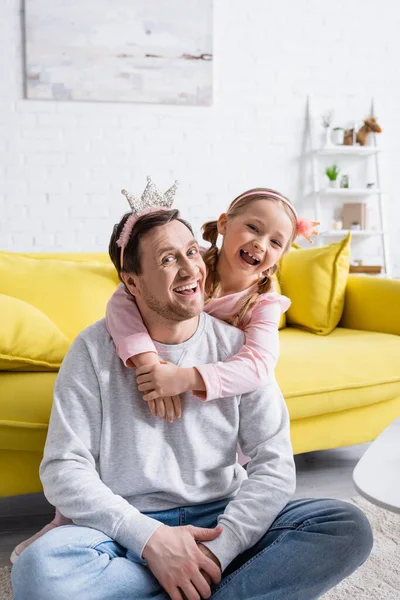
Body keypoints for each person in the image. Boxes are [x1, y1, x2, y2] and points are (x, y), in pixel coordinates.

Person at [12, 181, 373, 600]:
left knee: (344, 526)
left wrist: (219, 552)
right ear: (131, 283)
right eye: (168, 259)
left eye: (190, 252)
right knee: (41, 571)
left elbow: (273, 466)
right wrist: (152, 541)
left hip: (219, 516)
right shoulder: (93, 349)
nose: (190, 269)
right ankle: (198, 584)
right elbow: (63, 469)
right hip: (127, 529)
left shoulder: (239, 347)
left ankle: (192, 579)